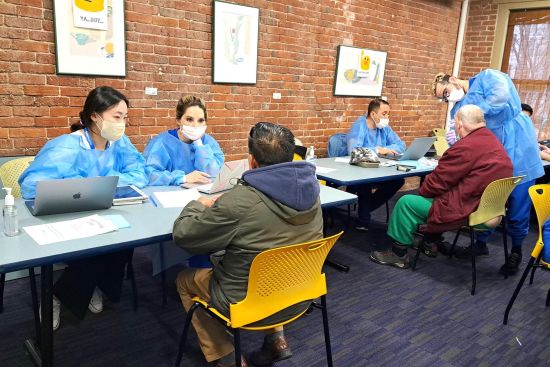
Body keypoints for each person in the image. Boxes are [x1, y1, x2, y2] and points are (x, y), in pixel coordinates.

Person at [173, 122, 323, 367]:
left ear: (252, 162)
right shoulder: (313, 192)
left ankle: (229, 359)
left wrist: (197, 204)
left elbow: (185, 235)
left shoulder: (241, 201)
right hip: (299, 293)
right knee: (275, 262)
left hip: (245, 302)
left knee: (184, 280)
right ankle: (277, 340)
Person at [19, 86, 148, 330]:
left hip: (106, 214)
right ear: (94, 116)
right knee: (95, 252)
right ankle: (56, 297)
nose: (122, 124)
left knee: (122, 245)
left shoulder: (120, 143)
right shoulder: (66, 147)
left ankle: (93, 285)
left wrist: (107, 182)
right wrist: (81, 187)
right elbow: (30, 187)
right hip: (70, 216)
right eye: (116, 117)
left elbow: (140, 172)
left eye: (125, 118)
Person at [370, 105, 513, 268]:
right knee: (442, 196)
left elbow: (434, 185)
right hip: (491, 211)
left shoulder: (465, 146)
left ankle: (398, 254)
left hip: (470, 211)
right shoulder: (493, 141)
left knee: (406, 202)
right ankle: (430, 242)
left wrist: (424, 191)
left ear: (459, 125)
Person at [431, 70, 544, 275]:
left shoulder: (489, 77)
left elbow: (500, 99)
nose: (447, 98)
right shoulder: (459, 107)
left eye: (446, 92)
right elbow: (460, 133)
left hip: (519, 149)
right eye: (443, 98)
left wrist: (473, 114)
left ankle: (516, 251)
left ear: (454, 80)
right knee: (489, 201)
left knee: (519, 206)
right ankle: (481, 244)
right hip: (493, 158)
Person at [346, 98, 406, 231]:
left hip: (380, 169)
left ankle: (365, 209)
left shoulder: (384, 128)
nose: (387, 117)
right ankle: (363, 219)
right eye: (384, 114)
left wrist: (386, 150)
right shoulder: (360, 125)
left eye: (388, 114)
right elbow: (354, 151)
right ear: (373, 114)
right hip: (360, 170)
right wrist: (378, 150)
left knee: (398, 181)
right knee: (365, 182)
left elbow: (401, 145)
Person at [143, 95, 224, 186]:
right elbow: (148, 175)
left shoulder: (208, 142)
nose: (195, 125)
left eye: (200, 120)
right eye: (189, 119)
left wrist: (199, 145)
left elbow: (214, 174)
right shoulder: (161, 143)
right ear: (178, 120)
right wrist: (183, 178)